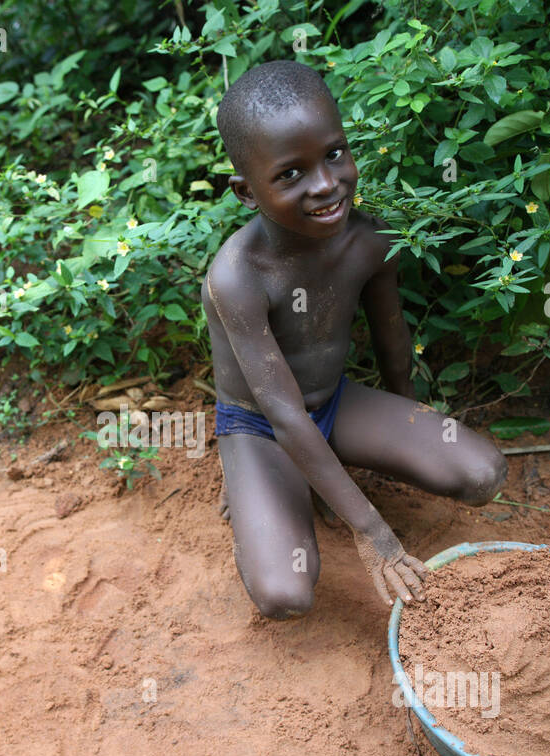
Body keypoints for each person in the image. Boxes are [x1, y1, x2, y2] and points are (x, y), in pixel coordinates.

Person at [203, 60, 507, 619]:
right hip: (263, 428)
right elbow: (283, 413)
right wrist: (375, 535)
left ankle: (320, 470)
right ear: (246, 193)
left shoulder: (367, 241)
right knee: (285, 593)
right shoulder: (237, 278)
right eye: (290, 174)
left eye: (334, 155)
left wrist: (407, 419)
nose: (324, 184)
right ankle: (248, 475)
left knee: (482, 473)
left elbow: (392, 336)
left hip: (337, 404)